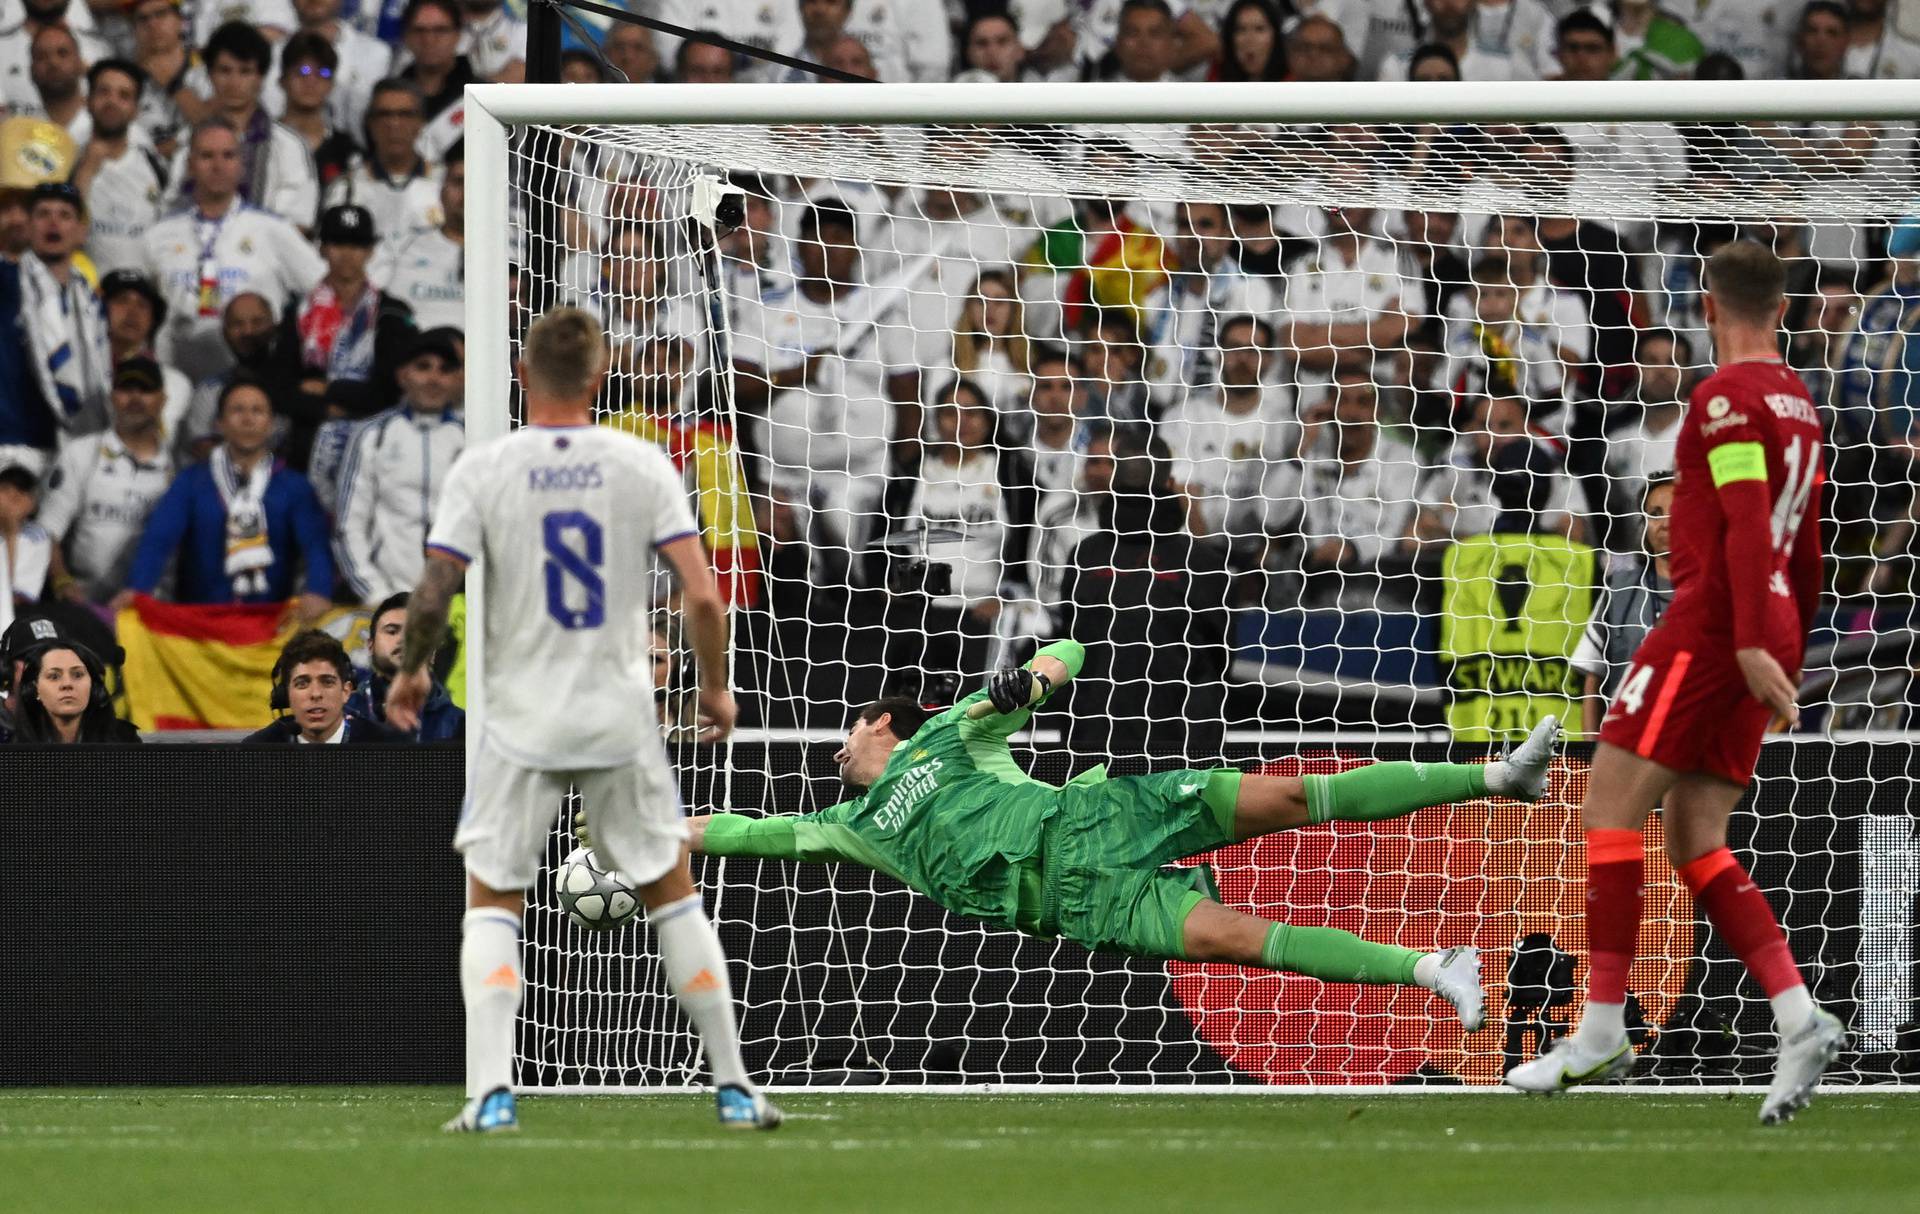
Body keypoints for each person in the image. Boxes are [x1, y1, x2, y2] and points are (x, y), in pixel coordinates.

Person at [682, 643, 1563, 1026]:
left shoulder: (953, 730)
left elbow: (1071, 650)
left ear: (881, 725)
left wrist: (1022, 683)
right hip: (1077, 897)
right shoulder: (848, 827)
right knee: (1237, 941)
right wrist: (649, 833)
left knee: (1296, 794)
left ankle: (1497, 776)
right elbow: (745, 833)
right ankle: (1434, 969)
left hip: (1097, 813)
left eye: (850, 730)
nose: (838, 748)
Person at [384, 307, 779, 1132]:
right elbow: (703, 595)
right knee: (673, 894)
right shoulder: (640, 462)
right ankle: (736, 1086)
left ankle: (491, 1092)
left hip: (520, 716)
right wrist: (713, 687)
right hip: (619, 715)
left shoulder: (484, 468)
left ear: (522, 375)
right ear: (599, 380)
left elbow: (432, 590)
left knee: (492, 901)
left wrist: (414, 670)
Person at [1507, 242, 1845, 1125]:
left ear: (1706, 306)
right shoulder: (1800, 403)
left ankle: (1604, 1027)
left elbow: (1739, 521)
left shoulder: (1725, 396)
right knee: (1696, 837)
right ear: (1782, 309)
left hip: (1708, 626)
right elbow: (1803, 545)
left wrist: (1738, 644)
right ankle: (1798, 1015)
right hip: (1765, 630)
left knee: (1609, 808)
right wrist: (1786, 644)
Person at [117, 376, 333, 620]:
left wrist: (319, 591)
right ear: (220, 423)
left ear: (271, 423)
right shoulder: (192, 482)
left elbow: (316, 546)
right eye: (237, 410)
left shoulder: (294, 487)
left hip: (270, 626)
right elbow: (158, 539)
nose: (248, 419)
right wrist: (137, 588)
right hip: (199, 626)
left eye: (257, 411)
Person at [143, 119, 325, 382]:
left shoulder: (273, 229)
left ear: (241, 166)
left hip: (253, 384)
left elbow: (323, 293)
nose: (218, 166)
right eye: (207, 156)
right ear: (190, 165)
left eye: (228, 156)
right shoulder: (158, 236)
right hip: (175, 377)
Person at [332, 330, 464, 606]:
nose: (433, 379)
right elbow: (349, 523)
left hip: (462, 602)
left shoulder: (472, 436)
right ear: (403, 375)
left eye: (445, 369)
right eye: (423, 367)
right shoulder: (373, 435)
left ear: (458, 379)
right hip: (388, 599)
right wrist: (377, 596)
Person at [38, 356, 175, 604]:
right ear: (112, 397)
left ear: (162, 400)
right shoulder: (80, 453)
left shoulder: (178, 467)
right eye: (125, 389)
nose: (135, 399)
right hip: (86, 605)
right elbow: (47, 531)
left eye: (145, 390)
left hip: (153, 609)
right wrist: (61, 581)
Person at [167, 22, 320, 229]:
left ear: (261, 78)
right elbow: (172, 206)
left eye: (245, 72)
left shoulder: (289, 144)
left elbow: (299, 221)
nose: (234, 82)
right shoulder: (187, 140)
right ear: (210, 75)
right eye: (225, 71)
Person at [1571, 473, 1674, 737]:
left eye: (1676, 512)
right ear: (1644, 524)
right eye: (1655, 513)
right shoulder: (1619, 589)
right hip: (1625, 747)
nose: (1665, 523)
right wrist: (1590, 749)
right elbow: (1593, 677)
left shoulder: (1718, 592)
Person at [15, 182, 111, 454]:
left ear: (81, 232)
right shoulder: (8, 285)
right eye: (43, 214)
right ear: (28, 227)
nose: (53, 223)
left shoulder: (90, 296)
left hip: (81, 439)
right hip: (19, 439)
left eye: (65, 215)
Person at [74, 59, 169, 277]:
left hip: (141, 296)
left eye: (124, 96)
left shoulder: (154, 166)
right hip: (86, 294)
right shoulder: (69, 159)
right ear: (88, 101)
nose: (112, 102)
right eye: (103, 92)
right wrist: (86, 170)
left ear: (135, 110)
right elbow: (62, 231)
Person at [245, 628, 404, 743]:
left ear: (346, 691)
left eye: (327, 682)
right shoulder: (258, 750)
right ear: (287, 694)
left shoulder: (386, 747)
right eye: (302, 683)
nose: (315, 694)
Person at [369, 138, 463, 330]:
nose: (468, 192)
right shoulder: (398, 246)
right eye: (459, 182)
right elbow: (366, 297)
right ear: (441, 191)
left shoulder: (512, 252)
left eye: (477, 183)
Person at [345, 590, 462, 740]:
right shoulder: (342, 716)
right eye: (392, 631)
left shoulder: (459, 724)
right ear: (370, 645)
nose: (403, 640)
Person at [4, 641, 141, 743]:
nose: (67, 684)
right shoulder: (10, 744)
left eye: (77, 675)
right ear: (35, 688)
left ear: (93, 686)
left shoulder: (125, 739)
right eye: (54, 676)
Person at [0, 463, 52, 635]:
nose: (12, 497)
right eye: (5, 489)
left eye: (21, 492)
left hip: (16, 619)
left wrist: (10, 533)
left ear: (32, 504)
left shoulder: (37, 537)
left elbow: (12, 597)